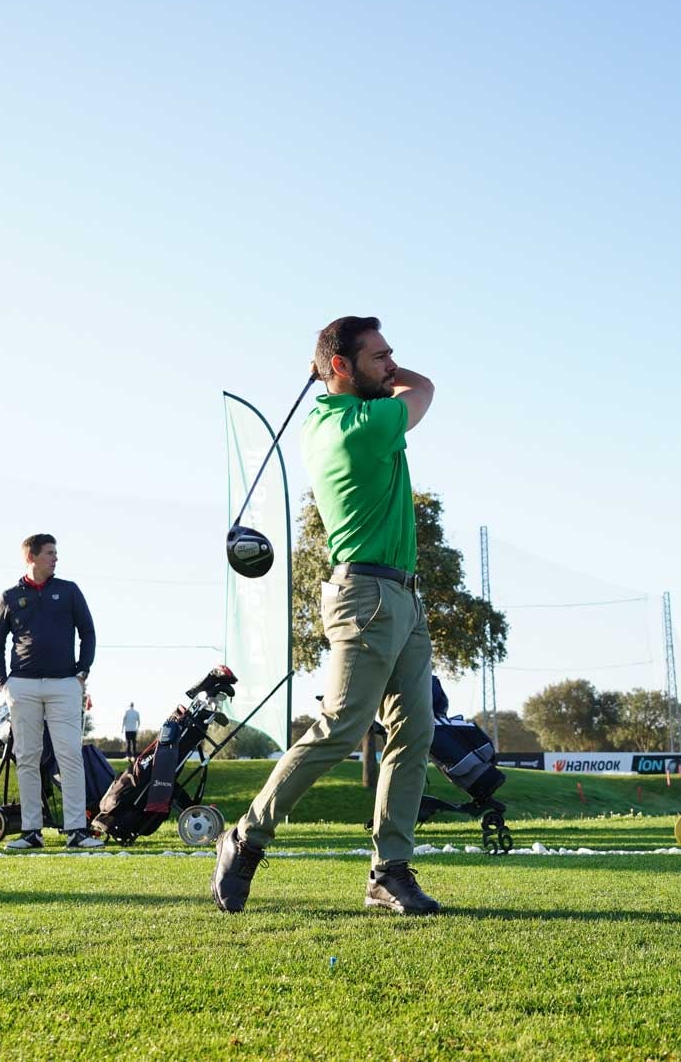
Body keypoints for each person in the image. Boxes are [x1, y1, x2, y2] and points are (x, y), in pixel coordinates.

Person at [212, 316, 439, 915]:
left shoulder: (327, 416)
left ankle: (389, 872)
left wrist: (352, 368)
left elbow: (399, 384)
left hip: (403, 598)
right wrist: (388, 376)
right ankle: (246, 837)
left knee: (415, 732)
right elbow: (424, 389)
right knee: (341, 727)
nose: (391, 365)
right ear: (341, 367)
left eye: (393, 355)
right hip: (366, 597)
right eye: (379, 356)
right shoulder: (358, 427)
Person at [0, 533, 103, 850]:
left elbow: (88, 632)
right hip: (21, 686)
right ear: (32, 557)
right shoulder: (10, 596)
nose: (55, 558)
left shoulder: (68, 591)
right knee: (27, 757)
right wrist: (3, 681)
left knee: (69, 755)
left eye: (55, 552)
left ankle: (77, 830)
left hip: (65, 684)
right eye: (50, 552)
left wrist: (82, 671)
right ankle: (31, 831)